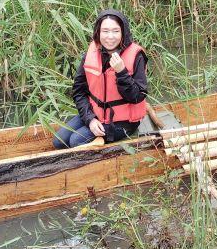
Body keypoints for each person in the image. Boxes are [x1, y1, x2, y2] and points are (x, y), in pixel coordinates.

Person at [52, 9, 149, 149]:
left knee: (75, 141)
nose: (110, 37)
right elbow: (79, 92)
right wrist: (90, 119)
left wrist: (121, 72)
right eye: (105, 31)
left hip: (122, 122)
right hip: (95, 114)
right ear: (98, 32)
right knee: (59, 141)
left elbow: (137, 96)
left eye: (116, 31)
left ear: (123, 32)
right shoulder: (92, 52)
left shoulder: (136, 56)